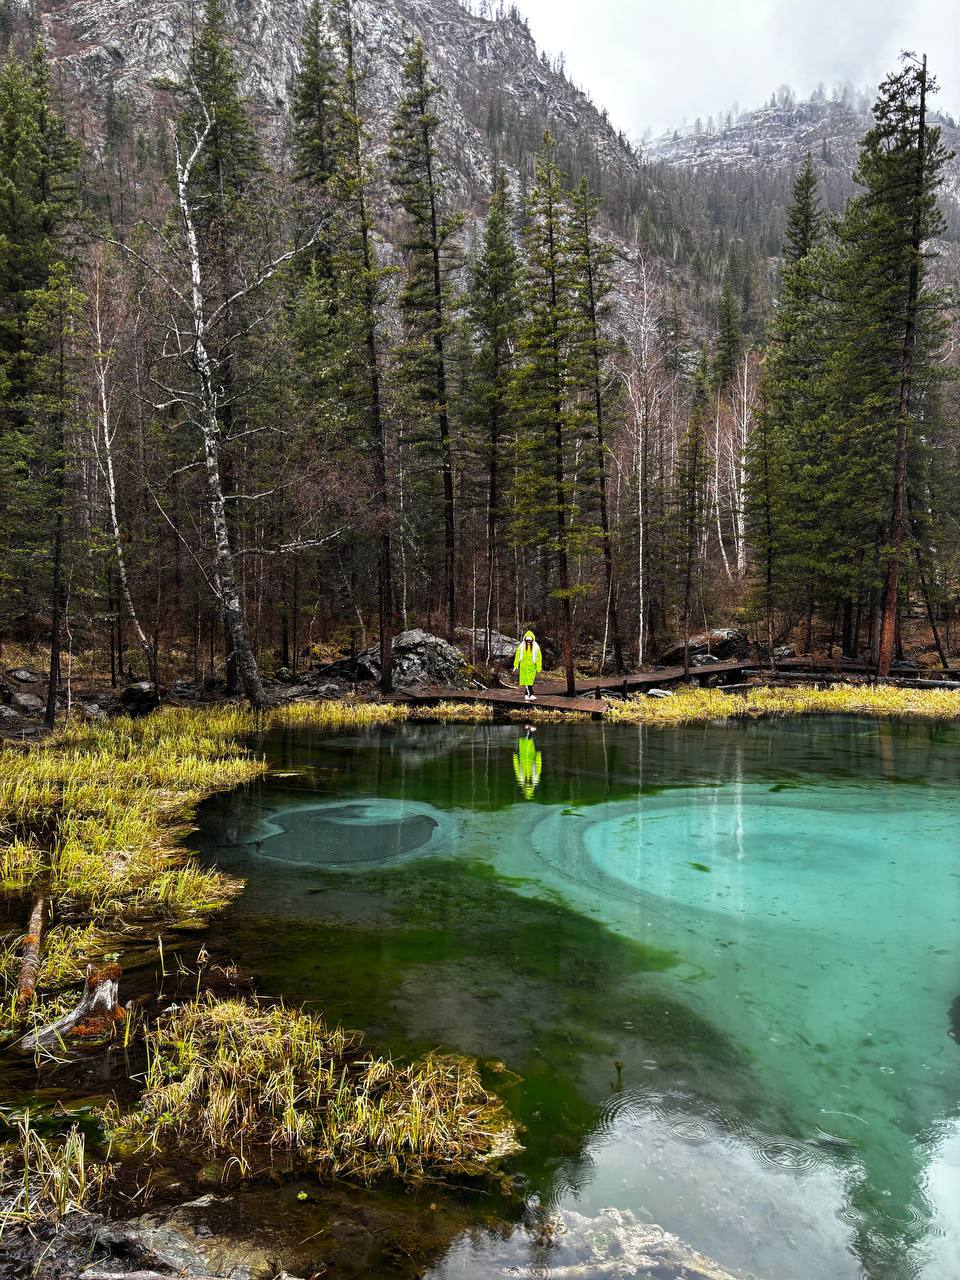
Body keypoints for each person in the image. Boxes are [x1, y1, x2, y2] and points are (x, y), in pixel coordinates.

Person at [513, 725, 542, 800]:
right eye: (529, 784)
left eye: (527, 784)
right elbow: (538, 766)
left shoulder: (521, 778)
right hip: (531, 756)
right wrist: (538, 756)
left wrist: (515, 757)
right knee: (530, 741)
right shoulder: (535, 778)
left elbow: (516, 767)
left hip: (522, 755)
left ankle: (526, 728)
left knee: (523, 741)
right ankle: (530, 729)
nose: (528, 782)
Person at [513, 629, 542, 702]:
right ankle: (531, 694)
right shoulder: (521, 646)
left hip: (532, 667)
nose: (528, 642)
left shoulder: (536, 647)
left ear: (532, 640)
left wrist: (538, 668)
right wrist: (516, 665)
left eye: (529, 641)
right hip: (524, 666)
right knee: (526, 681)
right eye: (527, 641)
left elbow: (539, 658)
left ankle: (526, 695)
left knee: (530, 681)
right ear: (525, 640)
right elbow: (517, 656)